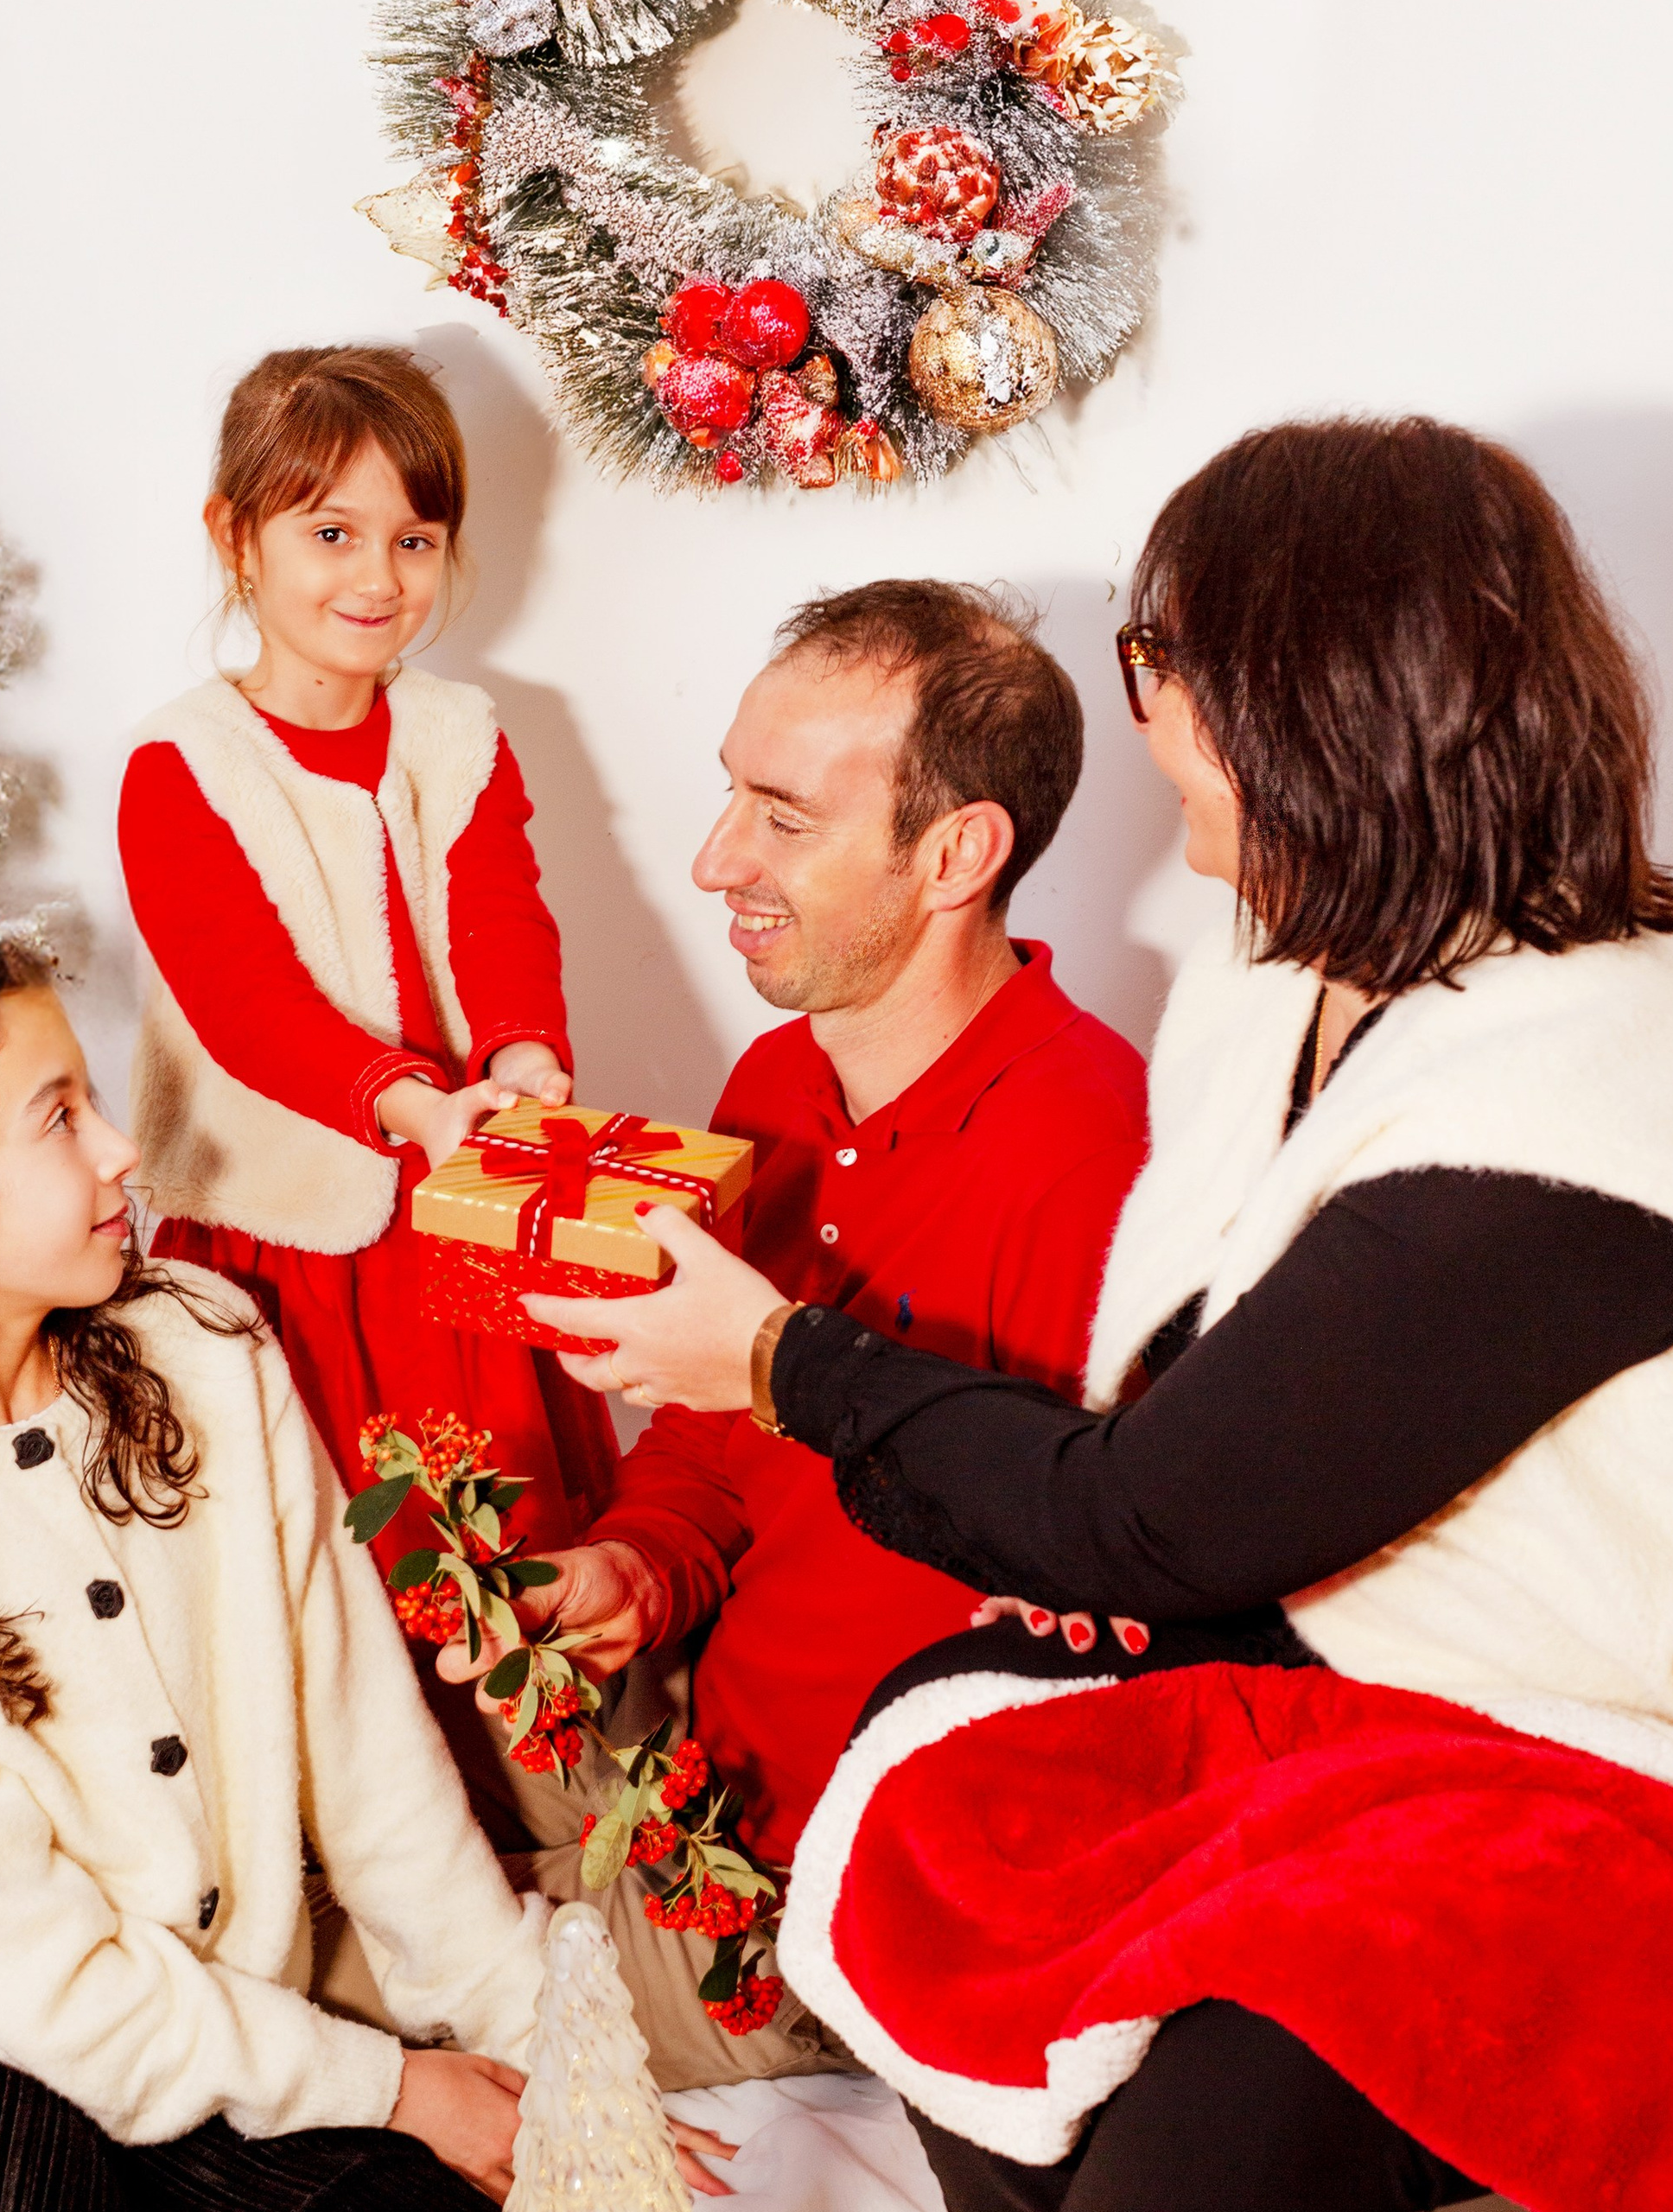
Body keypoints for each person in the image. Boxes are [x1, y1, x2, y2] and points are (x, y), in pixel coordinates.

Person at [527, 417, 1673, 2209]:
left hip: (1565, 1752)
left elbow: (1146, 1510)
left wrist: (783, 1359)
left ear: (1308, 702)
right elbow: (1181, 1425)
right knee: (952, 1853)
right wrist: (653, 1529)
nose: (1142, 722)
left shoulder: (1563, 1108)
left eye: (1162, 668)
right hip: (1287, 1682)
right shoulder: (1283, 994)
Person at [0, 936, 733, 2209]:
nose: (122, 1150)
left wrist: (547, 2057)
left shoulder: (206, 1352)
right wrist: (395, 2087)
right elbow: (46, 1986)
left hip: (219, 2028)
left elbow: (367, 1757)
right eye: (62, 1119)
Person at [449, 579, 1149, 2088]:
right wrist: (640, 1559)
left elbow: (1067, 1619)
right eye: (730, 798)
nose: (717, 862)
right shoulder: (777, 1080)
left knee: (365, 1988)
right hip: (690, 1741)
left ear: (956, 853)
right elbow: (717, 1429)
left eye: (783, 817)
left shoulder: (1089, 1157)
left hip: (821, 1907)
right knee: (337, 1763)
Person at [116, 346, 615, 1850]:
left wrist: (523, 1055)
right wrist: (403, 1101)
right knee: (326, 1542)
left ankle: (537, 1819)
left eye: (414, 538)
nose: (378, 575)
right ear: (235, 538)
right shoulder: (182, 765)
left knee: (502, 1512)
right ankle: (353, 1836)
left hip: (454, 1202)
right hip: (289, 1231)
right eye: (329, 532)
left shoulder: (460, 733)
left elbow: (506, 911)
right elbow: (249, 1004)